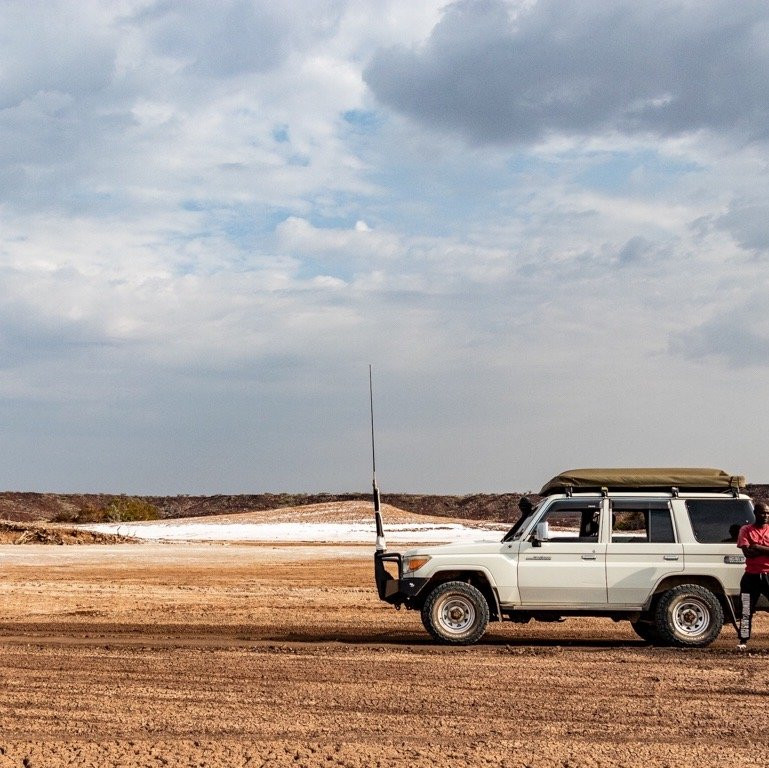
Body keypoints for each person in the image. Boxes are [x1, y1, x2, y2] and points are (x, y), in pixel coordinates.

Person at [736, 501, 769, 648]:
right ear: (755, 513)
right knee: (746, 609)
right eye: (762, 512)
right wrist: (765, 549)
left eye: (768, 513)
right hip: (751, 576)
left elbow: (752, 549)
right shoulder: (746, 529)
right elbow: (747, 553)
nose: (766, 515)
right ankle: (743, 640)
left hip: (768, 574)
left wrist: (757, 546)